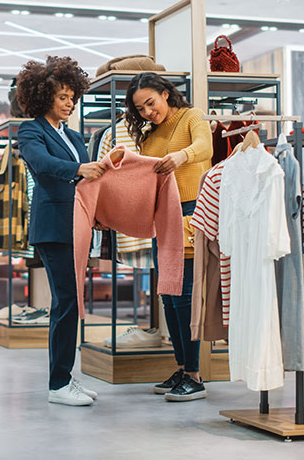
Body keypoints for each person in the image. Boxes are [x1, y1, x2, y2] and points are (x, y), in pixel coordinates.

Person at [16, 56, 107, 407]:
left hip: (78, 225)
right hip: (54, 227)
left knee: (73, 302)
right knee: (66, 301)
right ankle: (58, 384)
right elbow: (42, 164)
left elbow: (86, 183)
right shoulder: (31, 130)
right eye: (62, 97)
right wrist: (80, 167)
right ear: (43, 97)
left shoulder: (71, 135)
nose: (69, 103)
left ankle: (67, 377)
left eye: (72, 96)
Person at [125, 72, 213, 401]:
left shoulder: (192, 117)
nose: (148, 112)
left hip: (190, 214)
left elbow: (205, 148)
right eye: (141, 109)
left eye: (151, 103)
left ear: (165, 94)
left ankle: (194, 374)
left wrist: (181, 156)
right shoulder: (149, 136)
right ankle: (182, 366)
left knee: (185, 295)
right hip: (162, 216)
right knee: (168, 296)